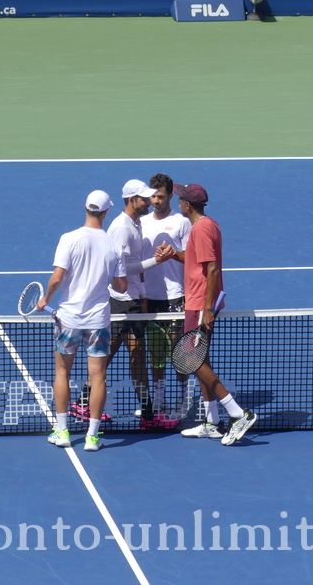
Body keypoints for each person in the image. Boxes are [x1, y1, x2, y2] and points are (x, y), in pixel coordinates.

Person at [165, 184, 256, 445]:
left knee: (191, 360)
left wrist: (206, 309)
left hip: (199, 304)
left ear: (187, 206)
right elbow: (197, 261)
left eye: (180, 199)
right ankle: (212, 422)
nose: (178, 202)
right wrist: (173, 255)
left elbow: (212, 269)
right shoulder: (207, 225)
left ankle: (238, 414)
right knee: (200, 360)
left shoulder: (202, 229)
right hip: (197, 302)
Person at [37, 190, 127, 452]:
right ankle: (92, 437)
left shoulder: (69, 238)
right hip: (98, 321)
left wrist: (45, 298)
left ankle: (62, 431)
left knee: (62, 372)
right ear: (107, 211)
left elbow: (57, 278)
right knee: (98, 376)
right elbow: (121, 287)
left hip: (69, 320)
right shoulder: (112, 245)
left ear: (86, 209)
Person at [105, 179, 174, 422]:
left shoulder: (136, 223)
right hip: (120, 302)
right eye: (144, 198)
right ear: (131, 200)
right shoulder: (121, 228)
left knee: (137, 355)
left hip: (133, 300)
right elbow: (120, 269)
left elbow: (136, 267)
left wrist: (143, 295)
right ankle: (84, 402)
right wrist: (157, 261)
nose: (149, 202)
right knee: (108, 354)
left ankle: (146, 411)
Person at [140, 174, 192, 415]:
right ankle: (159, 400)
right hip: (149, 297)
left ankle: (183, 399)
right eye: (153, 196)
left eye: (161, 196)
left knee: (178, 351)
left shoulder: (182, 222)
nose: (156, 201)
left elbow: (192, 258)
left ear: (171, 196)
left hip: (175, 296)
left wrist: (173, 254)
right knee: (156, 352)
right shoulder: (142, 223)